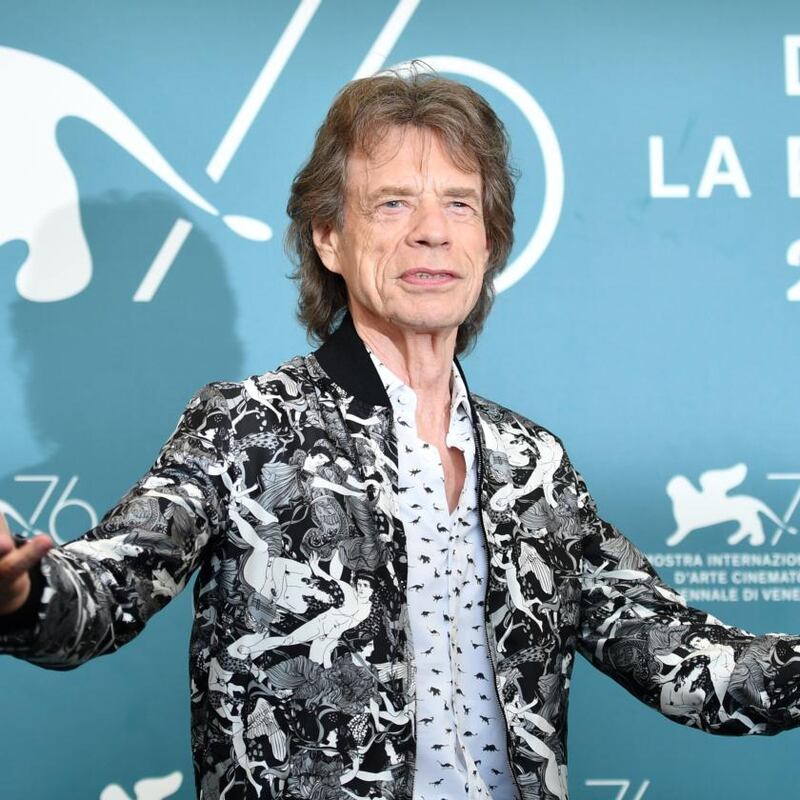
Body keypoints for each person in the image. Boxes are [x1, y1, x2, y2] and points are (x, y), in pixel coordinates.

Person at [2, 67, 800, 800]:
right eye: (393, 202)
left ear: (488, 244)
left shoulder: (535, 467)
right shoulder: (246, 425)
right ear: (328, 238)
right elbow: (104, 593)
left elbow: (697, 670)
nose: (432, 231)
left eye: (459, 202)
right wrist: (21, 592)